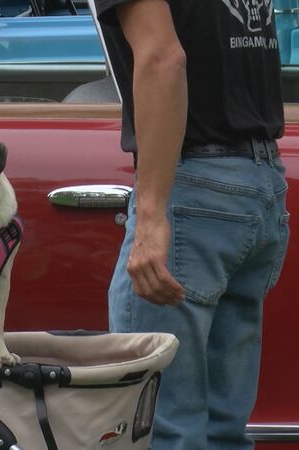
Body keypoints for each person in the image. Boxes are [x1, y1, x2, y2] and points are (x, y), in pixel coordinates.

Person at [95, 0, 289, 449]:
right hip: (260, 176)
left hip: (195, 182)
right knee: (224, 430)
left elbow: (164, 58)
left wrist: (150, 218)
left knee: (158, 430)